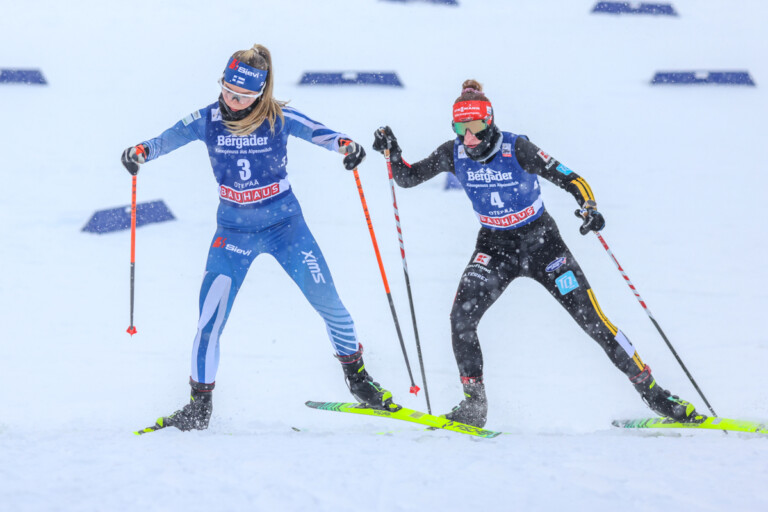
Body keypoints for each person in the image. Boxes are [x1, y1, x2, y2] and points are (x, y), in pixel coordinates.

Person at [371, 79, 703, 428]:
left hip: (543, 245)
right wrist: (392, 152)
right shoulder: (452, 153)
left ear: (490, 122)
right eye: (460, 128)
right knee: (461, 320)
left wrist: (588, 207)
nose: (468, 138)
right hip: (494, 249)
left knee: (594, 322)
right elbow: (407, 178)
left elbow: (571, 178)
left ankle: (655, 394)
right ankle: (474, 406)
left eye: (475, 127)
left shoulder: (517, 149)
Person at [121, 44, 395, 432]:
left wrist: (348, 147)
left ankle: (359, 380)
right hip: (233, 232)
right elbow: (165, 139)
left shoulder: (279, 118)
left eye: (242, 96)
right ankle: (199, 406)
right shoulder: (207, 118)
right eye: (227, 90)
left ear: (260, 95)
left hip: (286, 228)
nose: (231, 101)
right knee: (208, 322)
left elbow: (324, 134)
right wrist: (140, 152)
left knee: (329, 303)